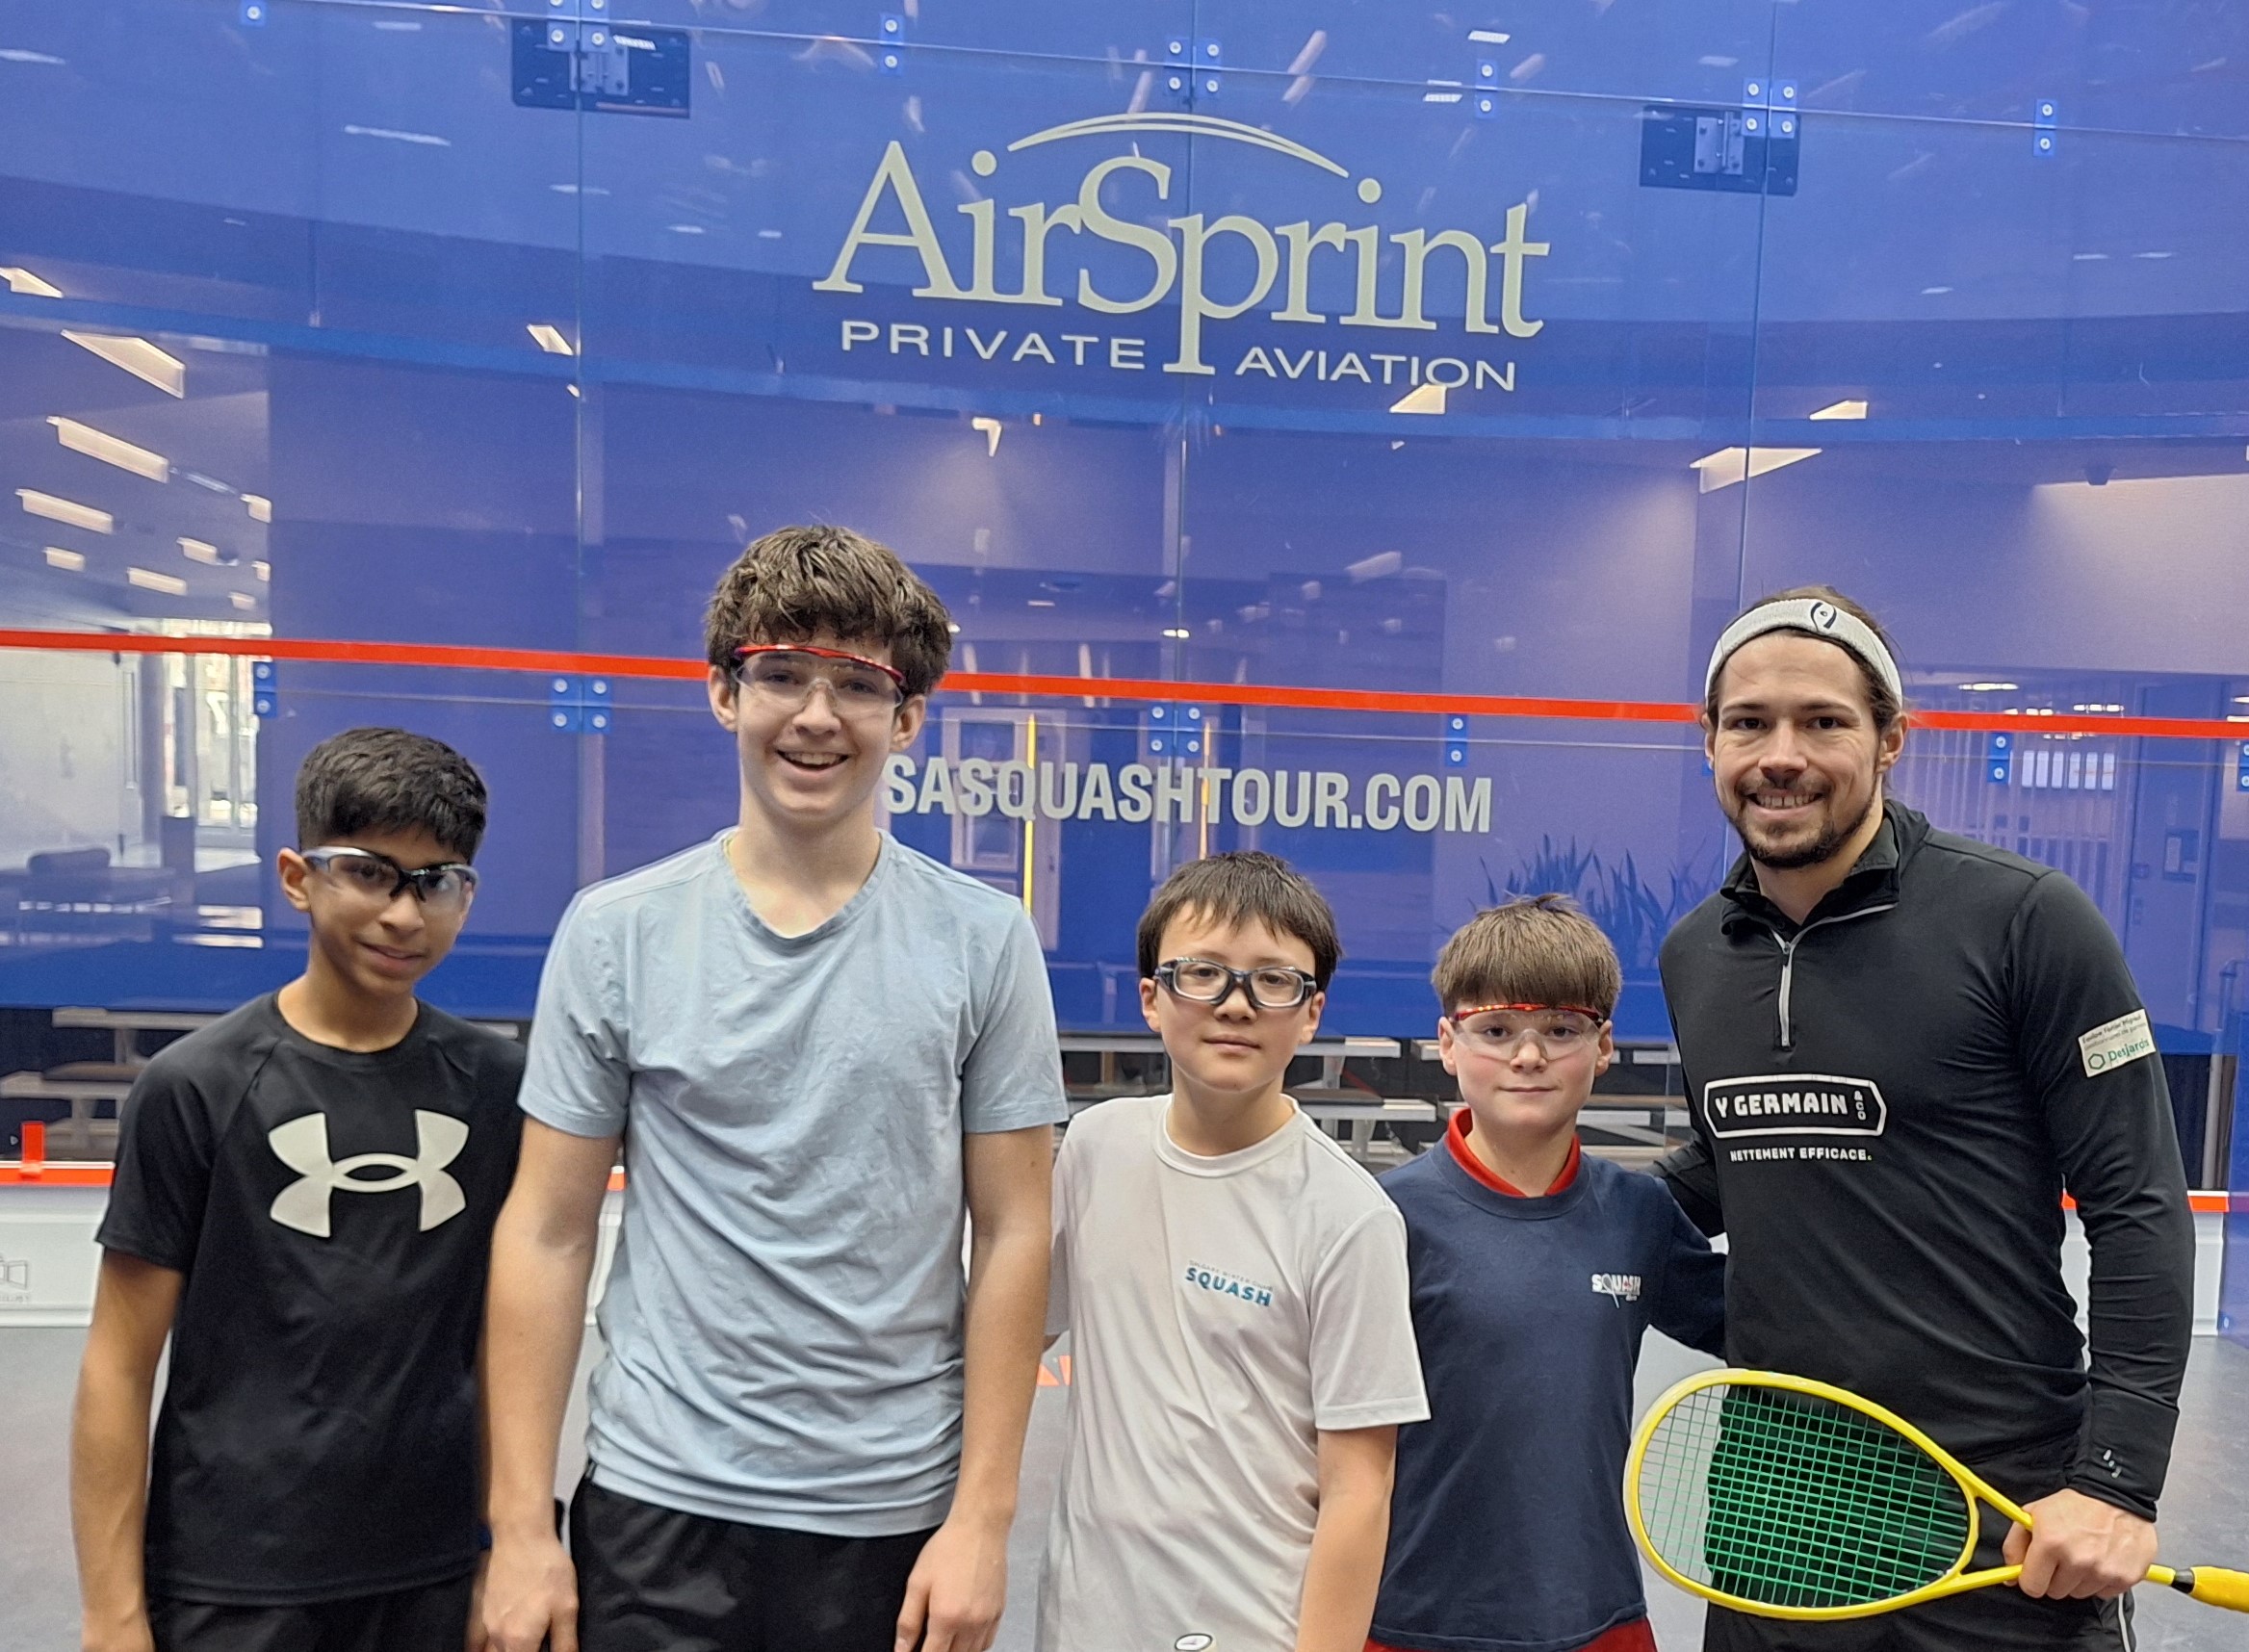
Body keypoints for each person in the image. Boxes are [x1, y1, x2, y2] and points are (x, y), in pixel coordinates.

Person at [478, 525, 1065, 1652]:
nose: (815, 715)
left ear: (907, 719)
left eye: (858, 684)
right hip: (657, 1500)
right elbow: (547, 1233)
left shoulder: (983, 941)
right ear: (723, 694)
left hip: (889, 1511)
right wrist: (519, 1530)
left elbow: (1011, 1234)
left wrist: (983, 1521)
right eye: (782, 674)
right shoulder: (617, 933)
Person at [1656, 587, 2196, 1650]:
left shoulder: (2024, 919)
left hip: (2000, 1520)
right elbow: (1733, 1164)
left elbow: (2136, 1204)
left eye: (1823, 721)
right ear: (1708, 739)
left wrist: (2114, 1482)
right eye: (1749, 722)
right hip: (1773, 1518)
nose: (1780, 756)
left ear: (1891, 738)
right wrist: (1510, 1208)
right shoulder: (1694, 956)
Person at [71, 728, 522, 1652]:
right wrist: (111, 1615)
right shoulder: (195, 1087)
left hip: (434, 1570)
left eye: (436, 882)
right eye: (369, 873)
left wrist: (507, 1545)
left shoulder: (495, 1087)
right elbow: (118, 1365)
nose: (403, 914)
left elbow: (503, 1344)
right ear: (296, 877)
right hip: (235, 1578)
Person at [1040, 851, 1429, 1652]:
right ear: (1151, 998)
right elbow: (1009, 1343)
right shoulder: (1094, 1146)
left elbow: (1360, 1489)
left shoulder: (1350, 1216)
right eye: (1203, 973)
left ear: (1312, 1013)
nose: (1236, 1004)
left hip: (1254, 1627)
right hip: (1081, 1623)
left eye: (1273, 980)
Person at [1368, 894, 1725, 1652]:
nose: (1528, 1056)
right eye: (1496, 1030)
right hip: (1410, 1625)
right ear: (1447, 1043)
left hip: (1600, 1620)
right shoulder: (1381, 1219)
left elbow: (1772, 1326)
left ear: (1603, 1047)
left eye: (1561, 1030)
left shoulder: (1640, 1215)